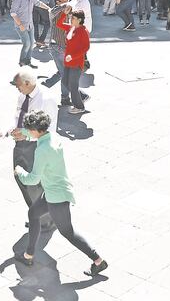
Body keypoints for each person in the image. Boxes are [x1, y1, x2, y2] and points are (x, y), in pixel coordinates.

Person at [14, 111, 108, 277]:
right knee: (33, 213)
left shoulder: (42, 150)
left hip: (57, 197)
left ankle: (98, 261)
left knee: (68, 233)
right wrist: (24, 134)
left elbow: (33, 180)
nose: (29, 131)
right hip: (54, 191)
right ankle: (29, 255)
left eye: (30, 129)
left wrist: (20, 171)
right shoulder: (52, 137)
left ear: (36, 130)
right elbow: (35, 134)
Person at [0, 69, 54, 218]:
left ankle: (44, 218)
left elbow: (49, 129)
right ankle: (36, 211)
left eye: (18, 85)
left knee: (34, 183)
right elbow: (17, 117)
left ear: (27, 83)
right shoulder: (22, 96)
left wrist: (27, 137)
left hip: (36, 146)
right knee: (20, 178)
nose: (16, 87)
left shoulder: (46, 99)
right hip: (20, 145)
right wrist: (5, 131)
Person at [10, 0, 51, 68]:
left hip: (30, 25)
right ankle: (22, 61)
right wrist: (20, 25)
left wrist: (49, 9)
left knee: (31, 43)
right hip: (21, 26)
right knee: (27, 44)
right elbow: (13, 13)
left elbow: (39, 3)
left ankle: (28, 61)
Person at [58, 9, 90, 114]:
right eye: (71, 18)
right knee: (65, 82)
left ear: (79, 20)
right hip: (68, 61)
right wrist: (64, 14)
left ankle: (79, 107)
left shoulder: (83, 31)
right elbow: (58, 23)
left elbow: (86, 47)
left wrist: (73, 56)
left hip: (76, 62)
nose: (71, 19)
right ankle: (82, 96)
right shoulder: (70, 28)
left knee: (73, 85)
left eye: (74, 18)